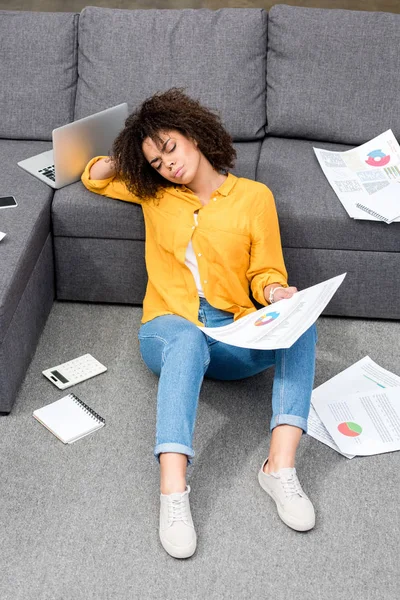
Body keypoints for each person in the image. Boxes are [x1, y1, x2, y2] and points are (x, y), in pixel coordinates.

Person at [81, 88, 318, 560]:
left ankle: (280, 469)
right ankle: (173, 494)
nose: (166, 164)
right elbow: (94, 177)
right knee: (187, 338)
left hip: (233, 335)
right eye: (154, 161)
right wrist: (129, 154)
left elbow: (266, 272)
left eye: (169, 148)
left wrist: (276, 296)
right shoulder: (155, 193)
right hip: (169, 330)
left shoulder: (254, 198)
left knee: (302, 320)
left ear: (195, 134)